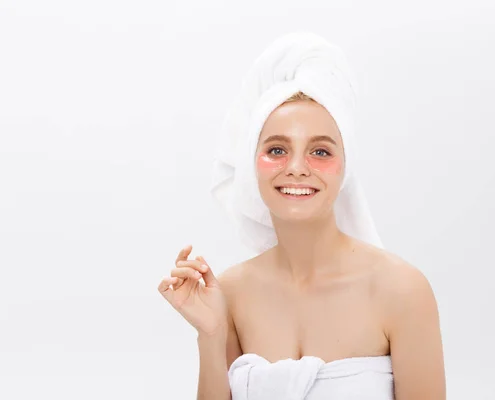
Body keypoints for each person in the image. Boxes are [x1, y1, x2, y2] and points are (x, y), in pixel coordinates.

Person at [158, 33, 446, 400]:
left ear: (346, 168)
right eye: (277, 149)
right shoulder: (229, 293)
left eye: (320, 151)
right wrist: (211, 336)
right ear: (251, 166)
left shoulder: (402, 292)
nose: (296, 168)